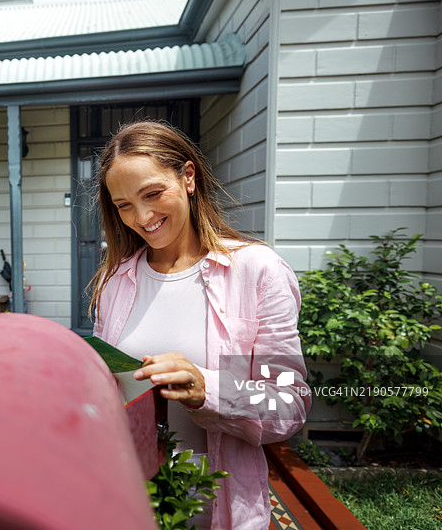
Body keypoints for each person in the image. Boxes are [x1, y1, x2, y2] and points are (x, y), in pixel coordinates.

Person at [90, 121, 311, 530]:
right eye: (123, 205)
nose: (142, 217)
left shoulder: (256, 271)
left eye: (152, 194)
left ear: (188, 177)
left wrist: (206, 390)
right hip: (129, 506)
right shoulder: (115, 280)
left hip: (219, 514)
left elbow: (289, 404)